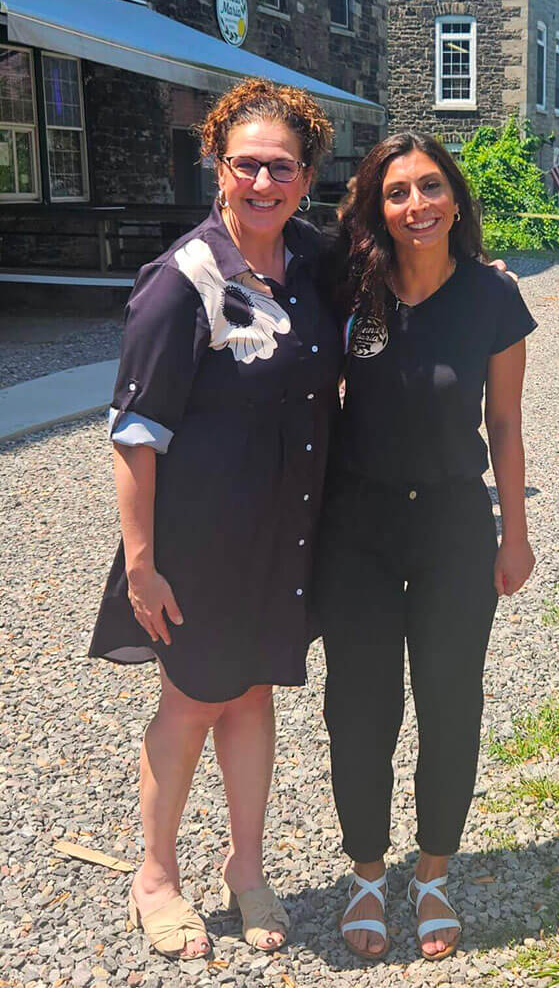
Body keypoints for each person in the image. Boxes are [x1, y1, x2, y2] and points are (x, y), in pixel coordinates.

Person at [89, 78, 340, 960]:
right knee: (195, 698)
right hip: (196, 539)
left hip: (283, 532)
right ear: (217, 166)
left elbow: (400, 272)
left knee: (253, 692)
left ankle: (246, 866)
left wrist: (475, 273)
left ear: (307, 176)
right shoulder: (184, 281)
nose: (263, 184)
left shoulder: (310, 261)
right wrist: (142, 564)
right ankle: (154, 876)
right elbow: (135, 432)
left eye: (282, 167)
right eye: (246, 166)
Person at [313, 133, 536, 962]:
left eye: (431, 186)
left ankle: (433, 867)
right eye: (398, 192)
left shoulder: (493, 298)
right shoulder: (349, 286)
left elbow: (505, 424)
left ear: (455, 195)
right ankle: (368, 871)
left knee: (451, 701)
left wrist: (517, 533)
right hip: (358, 528)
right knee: (360, 705)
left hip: (451, 525)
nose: (417, 204)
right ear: (377, 206)